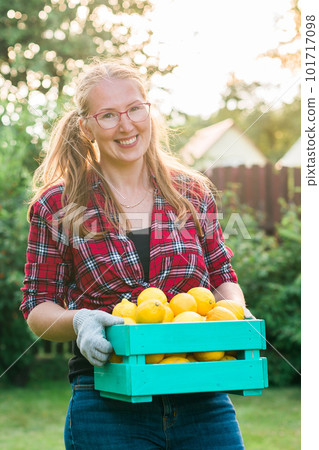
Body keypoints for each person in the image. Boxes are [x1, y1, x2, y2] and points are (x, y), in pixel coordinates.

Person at [21, 58, 251, 449]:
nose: (126, 126)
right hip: (105, 405)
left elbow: (222, 277)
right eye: (108, 115)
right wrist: (81, 321)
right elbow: (37, 306)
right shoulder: (58, 204)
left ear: (149, 111)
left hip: (201, 397)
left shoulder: (192, 193)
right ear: (87, 126)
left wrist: (229, 312)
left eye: (134, 109)